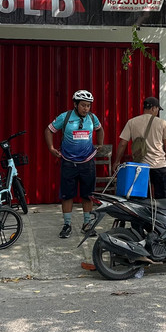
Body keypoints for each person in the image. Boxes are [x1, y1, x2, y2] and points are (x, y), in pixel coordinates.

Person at [45, 89, 103, 238]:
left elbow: (100, 129)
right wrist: (51, 148)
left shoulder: (92, 117)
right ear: (75, 104)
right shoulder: (65, 117)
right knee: (67, 195)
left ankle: (87, 224)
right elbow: (49, 130)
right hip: (68, 163)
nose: (86, 108)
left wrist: (100, 144)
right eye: (83, 105)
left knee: (87, 195)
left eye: (88, 106)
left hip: (87, 163)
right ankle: (67, 225)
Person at [112, 96, 166, 199]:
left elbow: (123, 144)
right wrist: (165, 158)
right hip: (159, 166)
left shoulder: (132, 122)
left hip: (140, 168)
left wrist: (117, 161)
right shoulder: (162, 123)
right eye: (157, 109)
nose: (157, 112)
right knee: (164, 199)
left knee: (141, 199)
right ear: (153, 108)